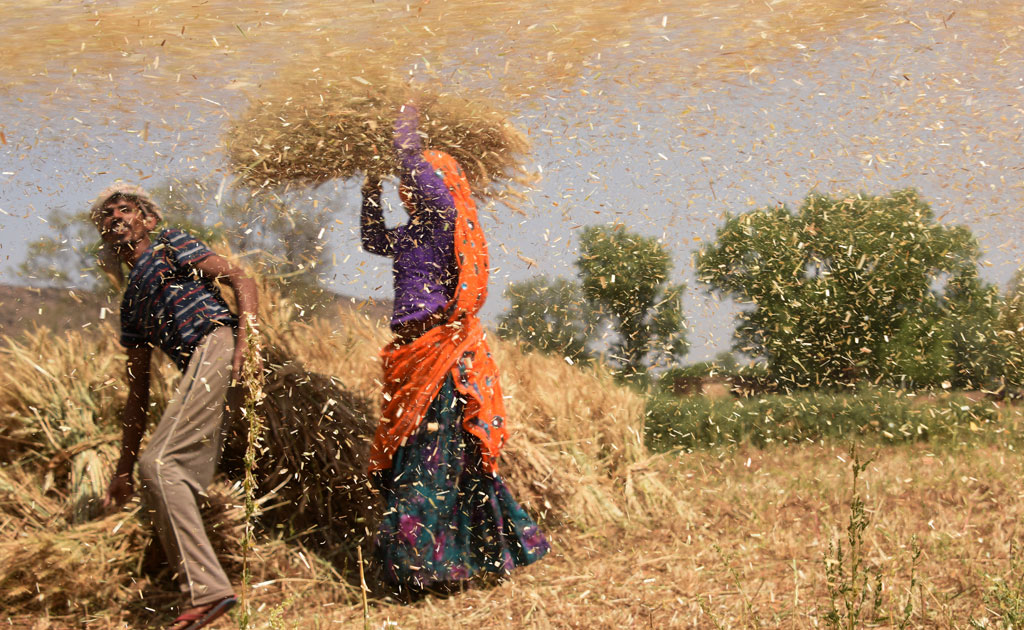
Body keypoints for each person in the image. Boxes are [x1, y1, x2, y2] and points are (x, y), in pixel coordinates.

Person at [361, 103, 549, 599]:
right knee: (441, 462)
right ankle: (479, 557)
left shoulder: (444, 219)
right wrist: (368, 189)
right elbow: (371, 240)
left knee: (427, 463)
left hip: (443, 358)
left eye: (425, 181)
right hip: (411, 355)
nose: (415, 189)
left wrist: (401, 116)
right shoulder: (408, 236)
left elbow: (420, 173)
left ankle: (418, 572)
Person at [93, 184, 258, 630]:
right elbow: (137, 393)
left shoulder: (172, 244)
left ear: (148, 220)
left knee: (162, 464)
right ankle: (207, 590)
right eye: (106, 218)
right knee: (156, 468)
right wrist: (123, 470)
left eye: (124, 210)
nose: (114, 219)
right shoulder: (132, 302)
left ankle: (207, 592)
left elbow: (240, 277)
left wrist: (247, 341)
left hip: (218, 344)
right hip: (198, 368)